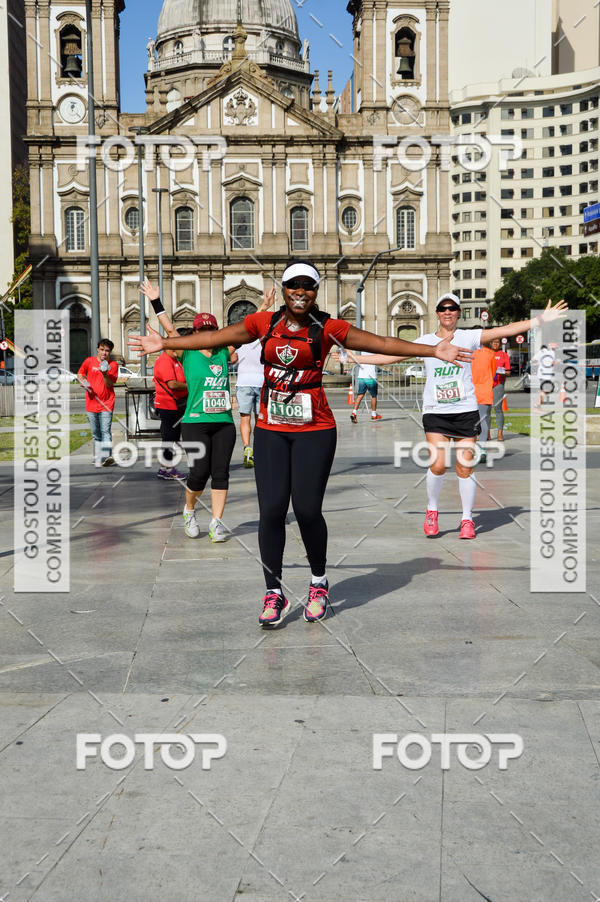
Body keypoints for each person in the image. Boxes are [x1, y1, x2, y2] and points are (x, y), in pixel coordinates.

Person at [130, 261, 474, 628]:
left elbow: (382, 341)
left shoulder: (328, 326)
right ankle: (273, 591)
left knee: (308, 510)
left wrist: (432, 351)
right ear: (284, 287)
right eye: (293, 285)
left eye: (307, 286)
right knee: (273, 510)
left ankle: (318, 582)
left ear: (315, 290)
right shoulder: (263, 323)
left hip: (316, 429)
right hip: (272, 429)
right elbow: (217, 338)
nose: (300, 291)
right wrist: (166, 342)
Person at [348, 294, 567, 540]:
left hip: (465, 410)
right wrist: (358, 358)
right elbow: (391, 355)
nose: (448, 312)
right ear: (437, 313)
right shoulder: (426, 342)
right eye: (443, 308)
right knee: (438, 464)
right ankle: (432, 511)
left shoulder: (468, 337)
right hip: (436, 411)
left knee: (465, 467)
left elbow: (503, 330)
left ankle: (467, 519)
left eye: (452, 308)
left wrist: (538, 320)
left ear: (459, 313)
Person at [140, 280, 238, 543]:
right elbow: (169, 328)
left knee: (221, 473)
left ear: (216, 331)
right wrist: (155, 301)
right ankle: (190, 510)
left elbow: (248, 330)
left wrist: (264, 305)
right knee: (198, 473)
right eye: (202, 330)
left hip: (224, 422)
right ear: (195, 333)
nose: (206, 333)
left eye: (210, 330)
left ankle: (216, 522)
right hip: (195, 422)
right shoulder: (187, 352)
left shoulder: (223, 352)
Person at [235, 288, 276, 468]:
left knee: (245, 419)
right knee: (260, 419)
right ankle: (259, 449)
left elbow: (232, 358)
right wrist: (265, 306)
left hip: (243, 383)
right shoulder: (263, 339)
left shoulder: (239, 341)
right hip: (261, 382)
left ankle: (247, 448)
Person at [152, 330, 188, 480]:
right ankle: (166, 468)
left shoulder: (175, 360)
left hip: (177, 405)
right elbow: (172, 384)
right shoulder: (164, 361)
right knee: (169, 438)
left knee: (172, 437)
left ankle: (165, 467)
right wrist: (191, 385)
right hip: (168, 405)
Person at [77, 338, 118, 467]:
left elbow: (110, 384)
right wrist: (83, 381)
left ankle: (106, 457)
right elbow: (80, 373)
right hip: (91, 403)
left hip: (107, 403)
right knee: (96, 433)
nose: (104, 353)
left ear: (110, 352)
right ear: (97, 349)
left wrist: (104, 374)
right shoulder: (89, 361)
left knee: (105, 431)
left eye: (107, 351)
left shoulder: (113, 365)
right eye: (102, 349)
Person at [471, 337, 497, 462]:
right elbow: (493, 371)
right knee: (483, 419)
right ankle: (482, 449)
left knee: (467, 420)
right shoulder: (490, 354)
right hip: (485, 389)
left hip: (468, 390)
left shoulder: (467, 352)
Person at [350, 352, 382, 423]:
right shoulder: (374, 349)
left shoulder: (362, 350)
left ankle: (354, 413)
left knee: (360, 395)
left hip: (361, 376)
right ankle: (373, 414)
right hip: (371, 377)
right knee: (373, 396)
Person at [490, 337, 511, 441]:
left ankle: (500, 433)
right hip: (486, 384)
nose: (495, 344)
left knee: (498, 408)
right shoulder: (487, 354)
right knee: (486, 410)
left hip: (499, 384)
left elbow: (508, 372)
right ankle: (487, 433)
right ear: (490, 343)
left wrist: (500, 372)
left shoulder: (504, 355)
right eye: (493, 342)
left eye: (497, 342)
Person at [532, 342, 558, 410]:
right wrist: (557, 362)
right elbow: (552, 363)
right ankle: (538, 404)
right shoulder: (552, 353)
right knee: (548, 389)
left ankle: (538, 404)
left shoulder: (542, 352)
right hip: (546, 375)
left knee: (546, 389)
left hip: (541, 374)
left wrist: (539, 362)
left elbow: (533, 359)